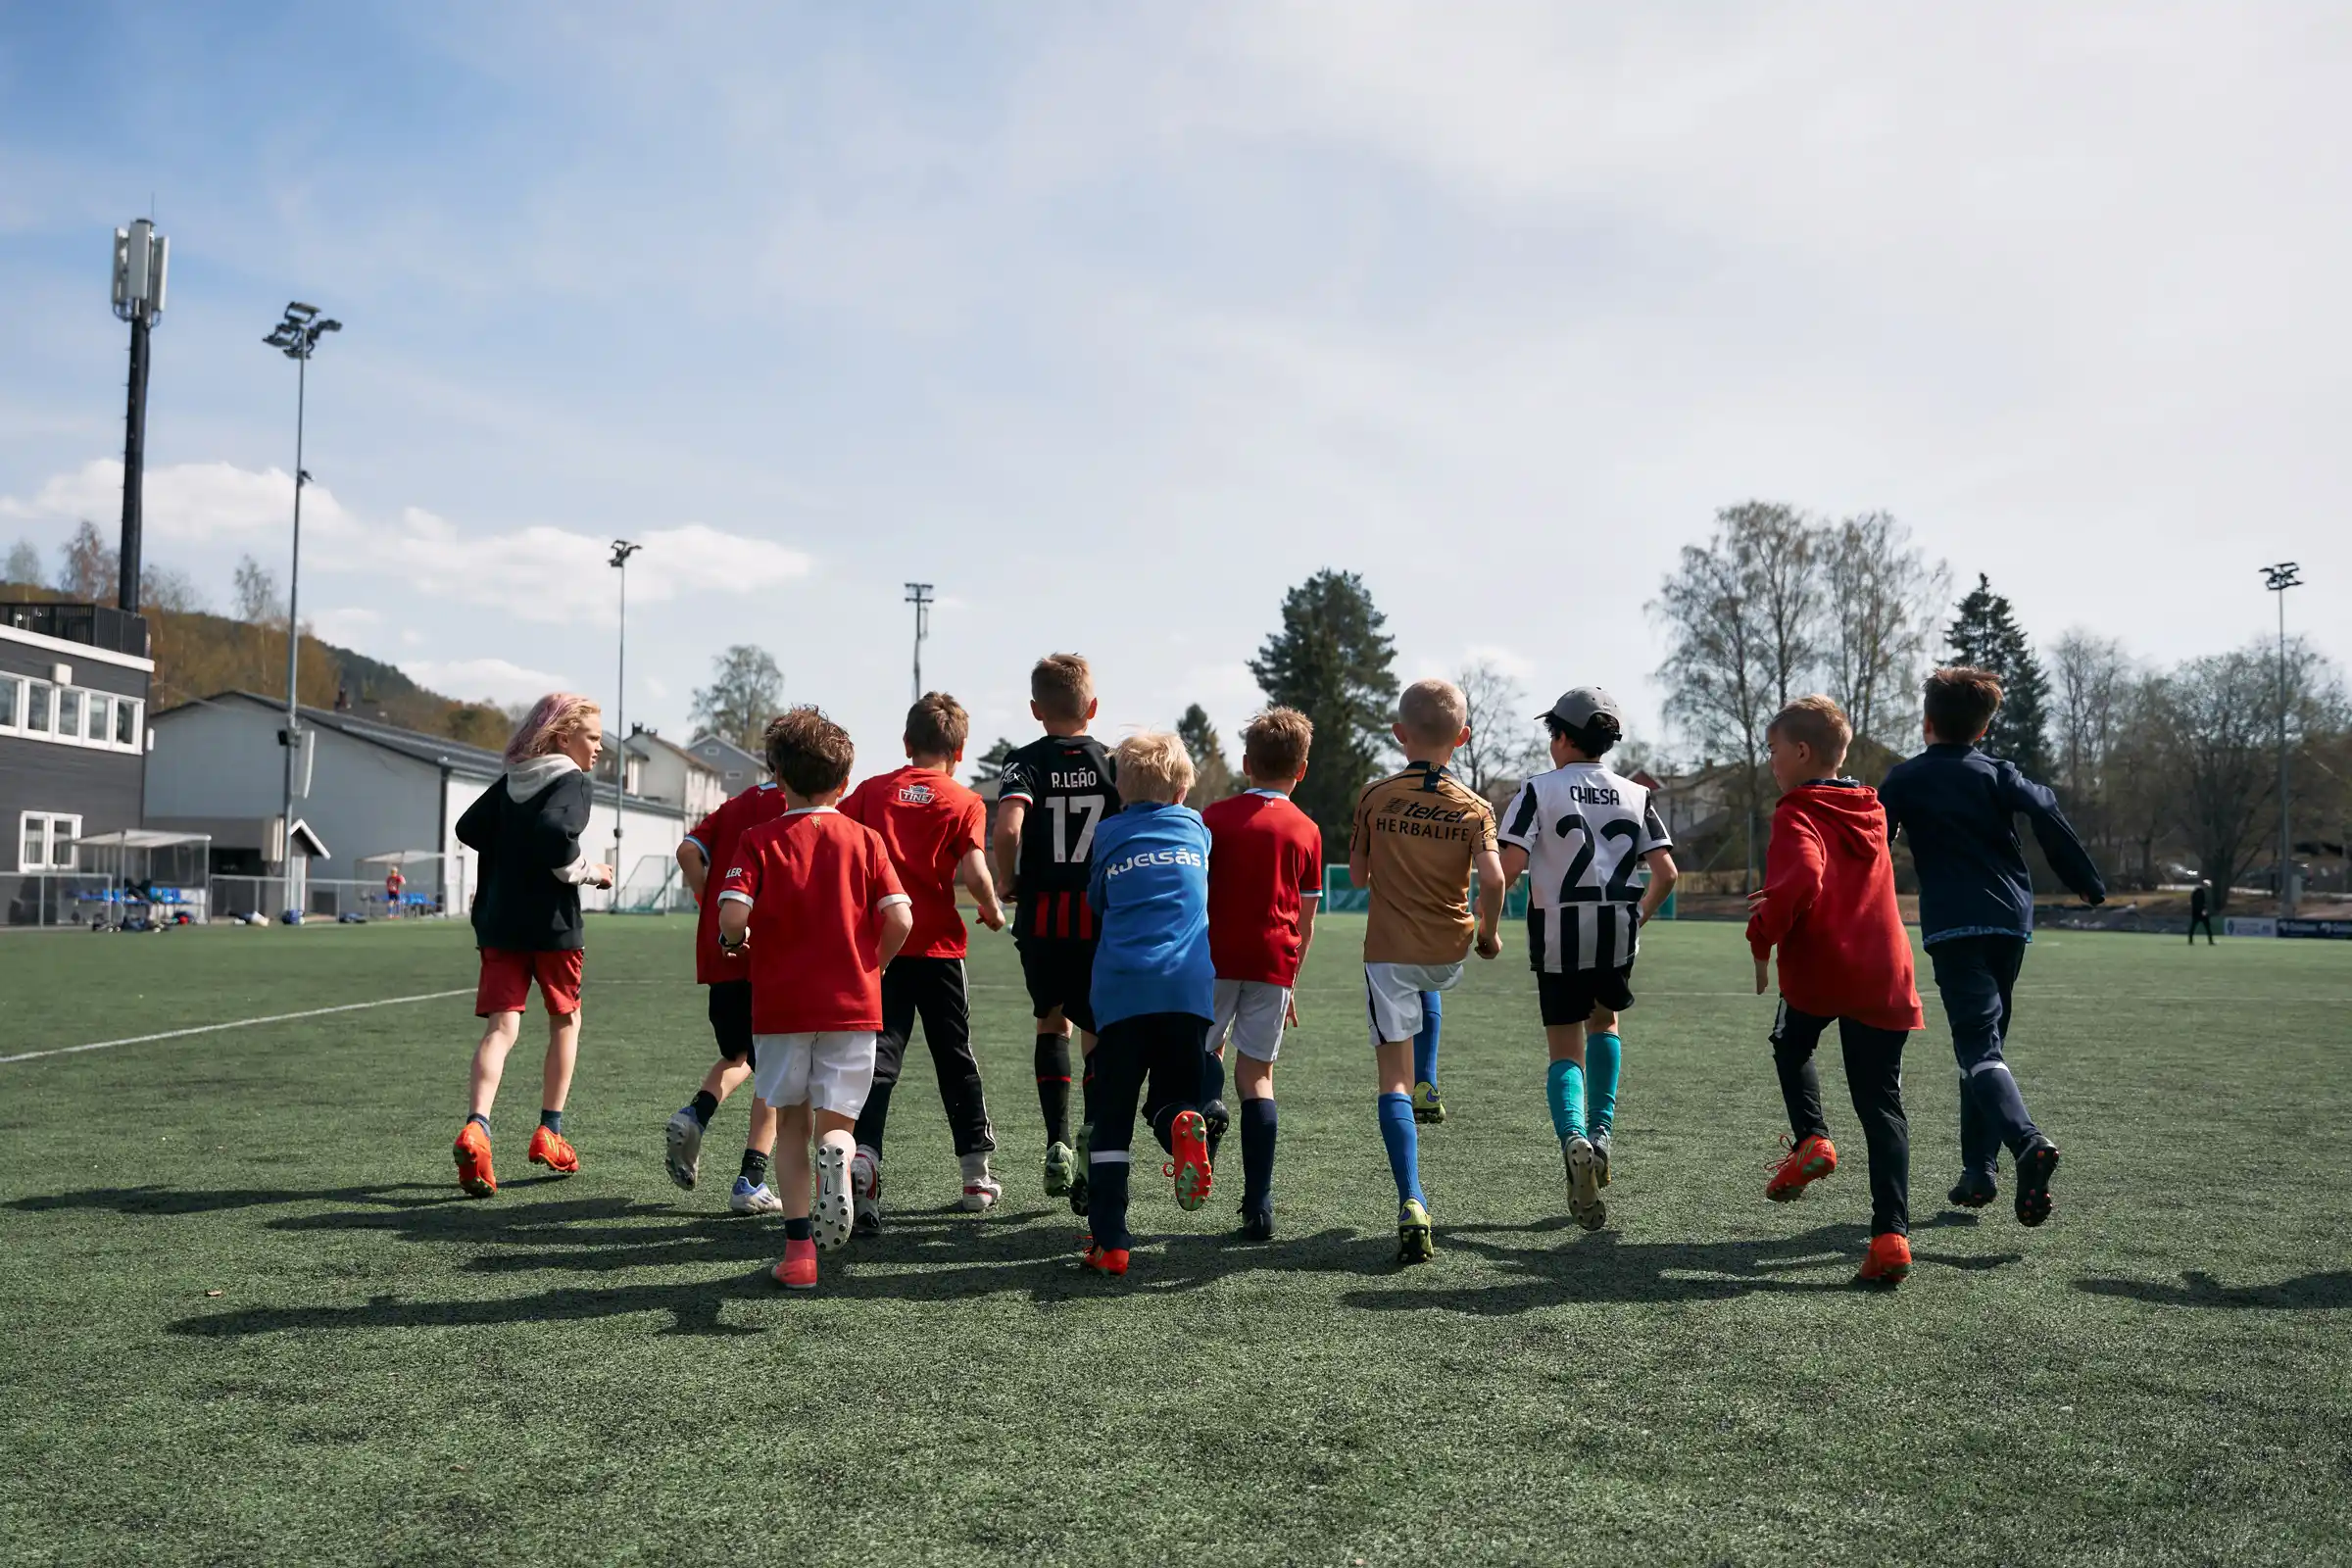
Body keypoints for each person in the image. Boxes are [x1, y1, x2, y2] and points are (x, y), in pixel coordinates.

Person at [1879, 666, 2106, 1227]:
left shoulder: (1905, 778)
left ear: (1927, 721)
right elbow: (2046, 808)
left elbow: (1872, 840)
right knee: (1985, 1048)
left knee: (1978, 1047)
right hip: (2010, 920)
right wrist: (2083, 877)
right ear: (1981, 730)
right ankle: (1979, 1171)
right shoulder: (1999, 771)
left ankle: (2026, 1142)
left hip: (1954, 924)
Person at [716, 707, 913, 1292]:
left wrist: (735, 940)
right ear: (845, 783)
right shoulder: (866, 840)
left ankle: (799, 1252)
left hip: (781, 1010)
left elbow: (732, 914)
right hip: (853, 1005)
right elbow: (900, 917)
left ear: (777, 776)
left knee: (792, 1124)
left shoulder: (757, 840)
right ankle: (841, 1152)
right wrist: (872, 966)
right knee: (836, 1123)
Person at [1744, 697, 1924, 1287]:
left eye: (1773, 751)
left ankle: (1813, 1140)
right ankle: (1890, 1238)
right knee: (1882, 1106)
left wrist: (1764, 928)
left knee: (1791, 1043)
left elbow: (1804, 877)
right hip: (1885, 969)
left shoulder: (1797, 809)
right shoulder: (1870, 806)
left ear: (1800, 752)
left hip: (1825, 966)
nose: (1771, 763)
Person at [1494, 687, 1678, 1232]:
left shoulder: (1537, 790)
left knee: (1563, 1049)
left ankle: (1573, 1137)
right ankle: (1600, 1136)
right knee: (1606, 1024)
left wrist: (1479, 917)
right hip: (1616, 932)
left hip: (1558, 935)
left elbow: (1508, 870)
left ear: (1562, 736)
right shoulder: (1636, 794)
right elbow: (1666, 874)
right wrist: (1638, 916)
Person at [839, 692, 1009, 1232]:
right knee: (954, 1058)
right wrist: (991, 907)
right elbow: (977, 873)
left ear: (907, 743)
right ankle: (975, 1177)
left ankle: (864, 1156)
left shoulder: (870, 793)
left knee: (878, 1059)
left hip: (882, 948)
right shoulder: (963, 801)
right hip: (938, 949)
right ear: (959, 750)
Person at [1349, 678, 1504, 1265]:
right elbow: (1492, 879)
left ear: (1399, 733)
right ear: (1462, 738)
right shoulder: (1477, 808)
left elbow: (1358, 877)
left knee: (1390, 1075)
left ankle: (1412, 1199)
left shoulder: (1373, 795)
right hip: (1448, 948)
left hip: (1388, 948)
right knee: (1429, 984)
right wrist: (1487, 933)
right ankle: (1430, 1079)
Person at [450, 693, 614, 1198]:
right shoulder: (570, 779)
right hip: (552, 925)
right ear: (563, 737)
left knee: (503, 1028)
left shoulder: (510, 780)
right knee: (566, 1020)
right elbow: (554, 835)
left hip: (499, 921)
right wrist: (591, 872)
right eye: (591, 737)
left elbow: (468, 828)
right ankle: (551, 1130)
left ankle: (478, 1125)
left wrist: (509, 857)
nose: (599, 748)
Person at [1076, 731, 1216, 1278]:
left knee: (1111, 1121)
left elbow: (1097, 901)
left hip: (1122, 992)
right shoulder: (1197, 829)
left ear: (1120, 788)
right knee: (1171, 1098)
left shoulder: (1109, 833)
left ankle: (1110, 1243)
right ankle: (1180, 1118)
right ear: (1183, 788)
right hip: (1186, 990)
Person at [991, 654, 1120, 1212]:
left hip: (1042, 917)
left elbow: (1008, 827)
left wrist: (1007, 879)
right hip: (1097, 917)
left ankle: (1057, 1141)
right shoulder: (1115, 762)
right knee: (1098, 1028)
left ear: (1036, 710)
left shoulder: (1023, 761)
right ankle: (1093, 1133)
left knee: (1052, 1019)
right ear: (1093, 707)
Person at [662, 716, 795, 1213]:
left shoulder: (736, 804)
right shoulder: (796, 806)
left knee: (741, 1054)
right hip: (771, 958)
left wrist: (707, 902)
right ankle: (751, 1180)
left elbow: (686, 851)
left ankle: (696, 1113)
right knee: (778, 1073)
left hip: (723, 952)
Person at [1200, 707, 1322, 1241]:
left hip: (1213, 957)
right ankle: (1259, 1204)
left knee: (1203, 1053)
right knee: (1258, 1077)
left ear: (1246, 763)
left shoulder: (1213, 818)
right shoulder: (1308, 830)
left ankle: (1207, 1110)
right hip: (1274, 962)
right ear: (1302, 770)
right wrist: (1290, 979)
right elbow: (1306, 919)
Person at [2188, 879, 2215, 946]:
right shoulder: (2201, 892)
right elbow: (2202, 902)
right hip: (2201, 912)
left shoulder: (2195, 892)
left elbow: (2193, 902)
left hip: (2195, 912)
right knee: (2207, 927)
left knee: (2193, 927)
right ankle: (2210, 941)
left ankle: (2190, 941)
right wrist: (2203, 910)